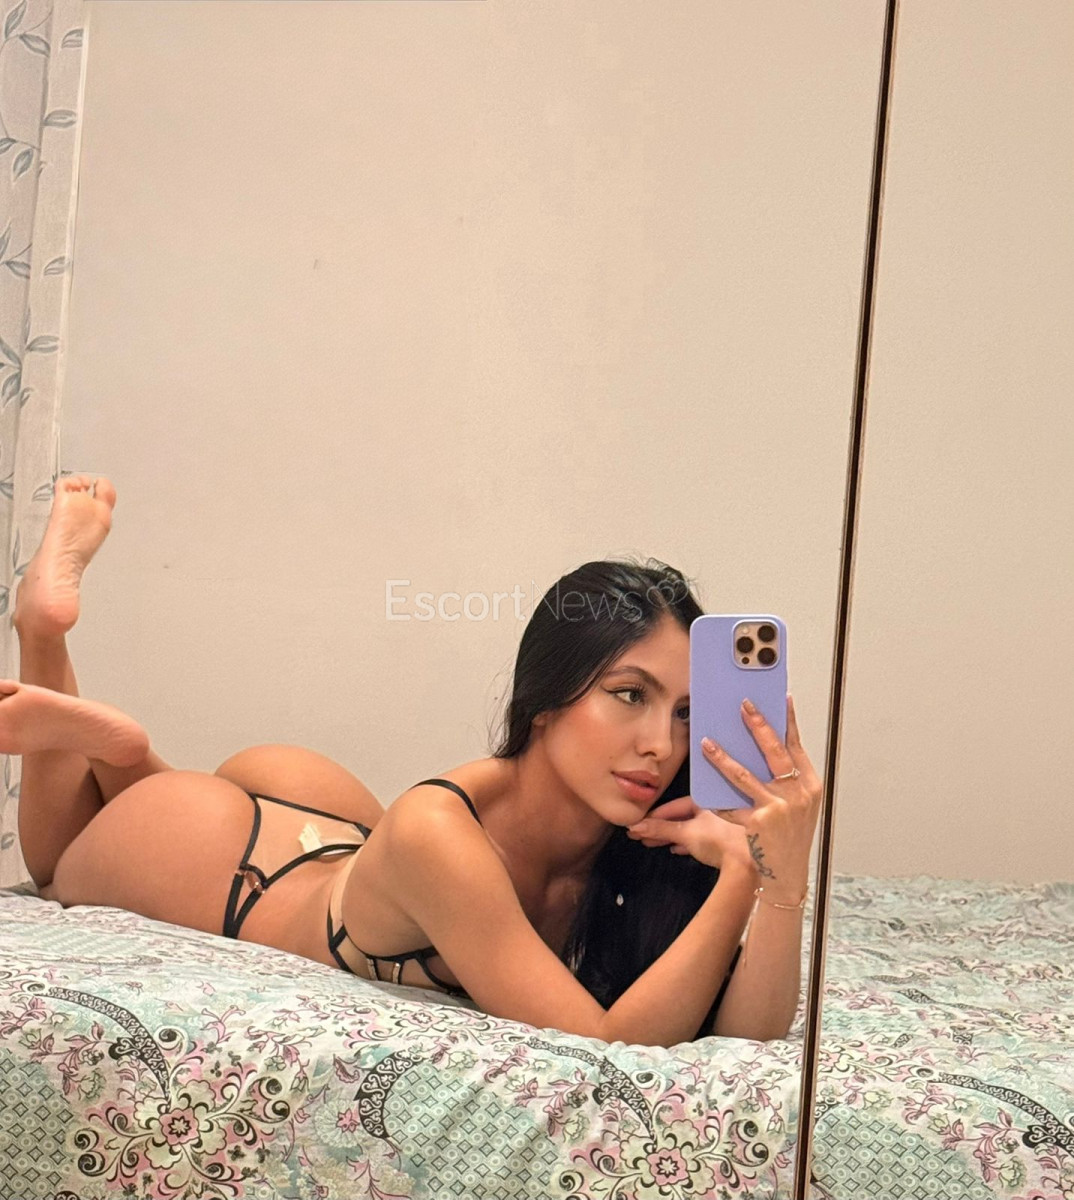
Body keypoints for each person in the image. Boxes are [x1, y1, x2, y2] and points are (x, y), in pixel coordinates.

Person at [3, 476, 822, 1048]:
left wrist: (782, 876)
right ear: (547, 698)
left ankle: (126, 756)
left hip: (330, 830)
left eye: (685, 712)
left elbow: (747, 1033)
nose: (661, 744)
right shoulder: (441, 830)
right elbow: (606, 1043)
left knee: (121, 823)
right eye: (629, 695)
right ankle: (54, 649)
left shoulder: (649, 826)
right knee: (57, 862)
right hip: (222, 854)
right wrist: (742, 876)